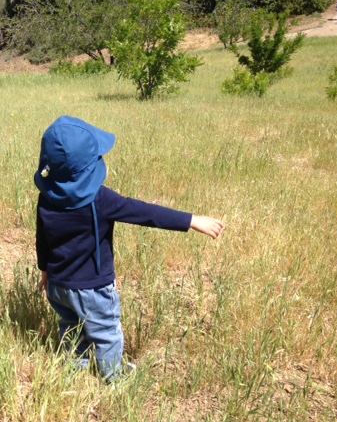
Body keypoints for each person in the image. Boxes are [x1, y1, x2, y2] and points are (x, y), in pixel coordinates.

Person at [35, 116, 224, 382]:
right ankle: (115, 378)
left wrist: (45, 270)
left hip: (58, 285)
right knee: (106, 332)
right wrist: (192, 220)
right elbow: (144, 213)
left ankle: (74, 370)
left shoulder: (46, 197)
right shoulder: (100, 199)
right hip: (93, 290)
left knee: (70, 327)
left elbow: (41, 237)